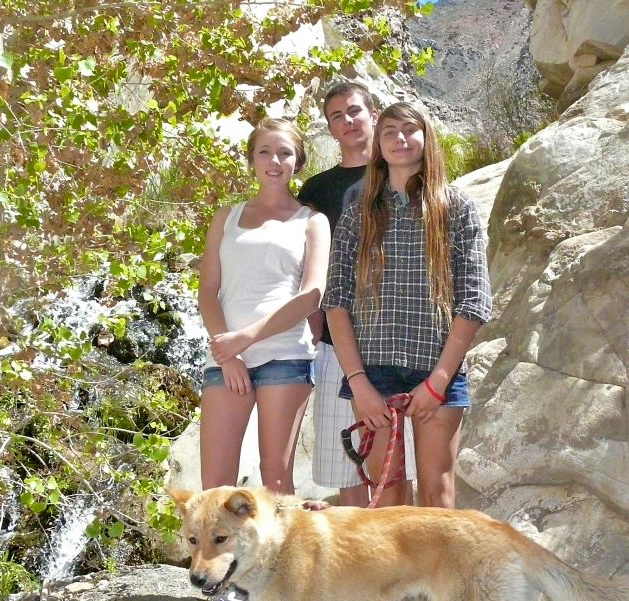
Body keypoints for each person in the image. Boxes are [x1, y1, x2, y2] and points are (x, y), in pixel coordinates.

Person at [322, 102, 492, 508]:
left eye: (409, 129)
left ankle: (442, 574)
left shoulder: (455, 207)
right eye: (389, 131)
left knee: (438, 491)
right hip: (374, 373)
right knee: (388, 494)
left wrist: (438, 382)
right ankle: (398, 575)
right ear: (378, 145)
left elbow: (473, 301)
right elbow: (336, 302)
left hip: (437, 370)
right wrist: (358, 384)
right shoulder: (358, 214)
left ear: (426, 137)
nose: (399, 138)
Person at [197, 117, 330, 494]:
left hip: (285, 356)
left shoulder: (312, 221)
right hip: (226, 360)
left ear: (297, 162)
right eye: (265, 152)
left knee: (275, 481)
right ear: (252, 160)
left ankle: (282, 556)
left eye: (284, 153)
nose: (275, 161)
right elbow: (208, 289)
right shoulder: (226, 217)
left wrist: (245, 339)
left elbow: (311, 295)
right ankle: (214, 557)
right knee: (214, 488)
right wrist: (228, 351)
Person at [298, 82, 416, 507]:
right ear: (330, 129)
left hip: (399, 341)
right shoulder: (316, 190)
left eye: (354, 111)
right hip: (335, 340)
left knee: (398, 468)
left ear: (373, 114)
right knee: (343, 463)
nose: (347, 121)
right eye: (337, 116)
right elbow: (306, 263)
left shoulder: (407, 176)